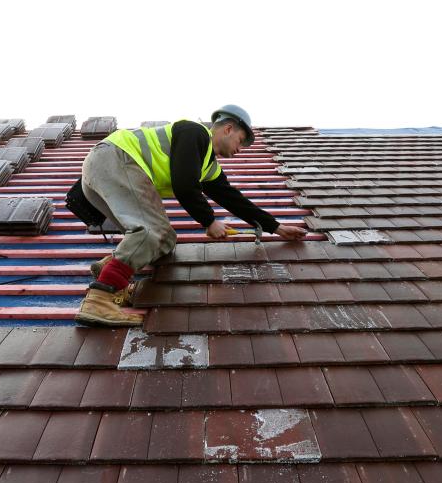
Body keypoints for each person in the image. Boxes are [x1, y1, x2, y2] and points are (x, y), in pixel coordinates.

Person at [69, 105, 307, 327]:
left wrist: (275, 227)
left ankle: (109, 271)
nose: (239, 149)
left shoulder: (207, 166)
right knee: (151, 233)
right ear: (228, 128)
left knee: (165, 241)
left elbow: (233, 199)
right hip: (116, 158)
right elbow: (185, 186)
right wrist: (209, 221)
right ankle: (100, 298)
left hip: (104, 171)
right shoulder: (195, 133)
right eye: (241, 141)